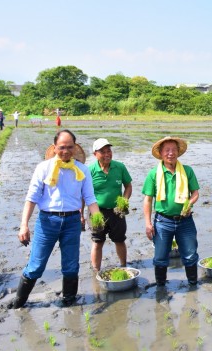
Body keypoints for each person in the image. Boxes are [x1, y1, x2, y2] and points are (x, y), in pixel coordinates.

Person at [10, 129, 100, 308]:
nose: (65, 151)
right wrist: (24, 225)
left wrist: (98, 218)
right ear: (54, 147)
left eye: (69, 147)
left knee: (71, 265)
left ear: (75, 148)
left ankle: (69, 300)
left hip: (72, 222)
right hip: (47, 222)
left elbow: (90, 198)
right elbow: (32, 198)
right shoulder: (43, 168)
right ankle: (19, 302)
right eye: (61, 147)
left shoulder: (82, 170)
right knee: (36, 265)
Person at [142, 136, 200, 286]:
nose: (170, 153)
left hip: (185, 221)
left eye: (174, 150)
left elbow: (195, 193)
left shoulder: (187, 171)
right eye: (167, 150)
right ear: (161, 153)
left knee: (190, 254)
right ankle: (161, 286)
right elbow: (148, 200)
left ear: (178, 152)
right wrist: (148, 224)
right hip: (162, 222)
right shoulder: (154, 174)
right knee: (160, 257)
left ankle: (193, 284)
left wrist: (189, 203)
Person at [88, 138, 133, 271]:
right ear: (95, 154)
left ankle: (124, 266)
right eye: (103, 152)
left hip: (116, 211)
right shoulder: (90, 170)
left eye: (109, 151)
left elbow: (128, 186)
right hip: (96, 212)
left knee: (119, 240)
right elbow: (83, 193)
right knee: (97, 242)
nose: (107, 154)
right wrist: (81, 214)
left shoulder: (120, 167)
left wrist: (124, 201)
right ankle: (96, 271)